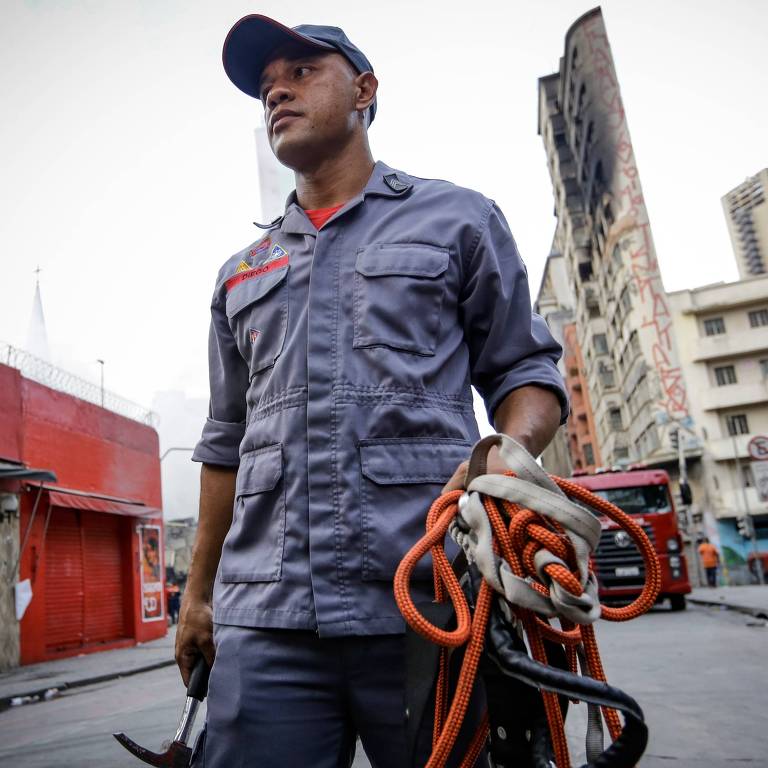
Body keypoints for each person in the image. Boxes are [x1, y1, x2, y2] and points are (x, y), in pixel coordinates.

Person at [176, 14, 569, 768]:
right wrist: (198, 596)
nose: (276, 93)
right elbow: (225, 444)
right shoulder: (242, 273)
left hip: (428, 596)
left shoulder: (458, 220)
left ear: (364, 90)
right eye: (266, 86)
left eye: (300, 72)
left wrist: (505, 452)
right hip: (268, 619)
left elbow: (527, 372)